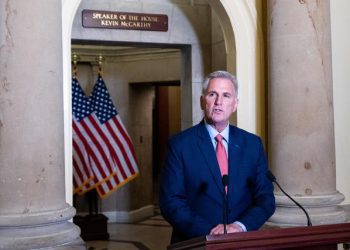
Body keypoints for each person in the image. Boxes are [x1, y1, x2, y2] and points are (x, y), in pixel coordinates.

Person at [159, 70, 275, 244]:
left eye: (226, 95)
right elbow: (171, 203)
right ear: (202, 101)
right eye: (212, 94)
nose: (219, 102)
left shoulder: (252, 144)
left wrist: (240, 226)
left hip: (241, 243)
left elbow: (265, 199)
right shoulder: (179, 145)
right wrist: (211, 233)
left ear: (235, 104)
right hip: (196, 243)